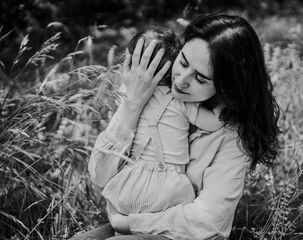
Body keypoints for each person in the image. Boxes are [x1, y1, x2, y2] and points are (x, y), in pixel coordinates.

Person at [71, 13, 280, 240]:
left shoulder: (233, 136)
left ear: (227, 87)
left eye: (200, 79)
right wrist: (132, 104)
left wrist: (129, 223)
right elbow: (100, 176)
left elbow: (209, 222)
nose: (180, 81)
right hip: (131, 220)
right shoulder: (150, 95)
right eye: (183, 62)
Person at [102, 28, 223, 217]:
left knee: (122, 228)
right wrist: (223, 105)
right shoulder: (180, 102)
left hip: (131, 179)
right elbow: (213, 123)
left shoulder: (128, 94)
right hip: (168, 186)